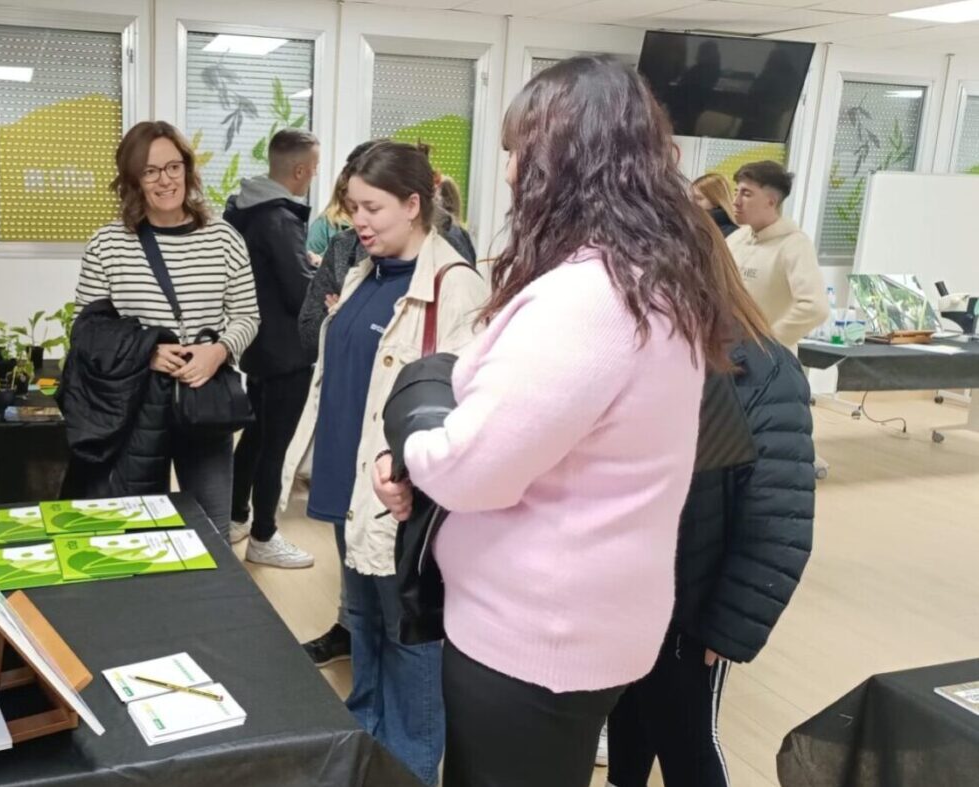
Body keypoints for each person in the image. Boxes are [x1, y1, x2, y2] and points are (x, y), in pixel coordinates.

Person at [372, 56, 738, 786]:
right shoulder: (653, 278)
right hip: (586, 622)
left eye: (515, 152)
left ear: (556, 165)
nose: (506, 171)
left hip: (532, 636)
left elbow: (472, 469)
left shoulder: (587, 299)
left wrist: (417, 434)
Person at [280, 140, 489, 785]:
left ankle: (409, 770)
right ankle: (363, 752)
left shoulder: (457, 287)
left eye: (372, 208)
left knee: (410, 642)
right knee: (364, 628)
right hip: (349, 487)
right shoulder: (361, 272)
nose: (358, 222)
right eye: (352, 210)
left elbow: (463, 408)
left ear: (414, 204)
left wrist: (410, 478)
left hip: (403, 498)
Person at [607, 230, 816, 787]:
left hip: (695, 613)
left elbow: (779, 520)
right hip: (625, 599)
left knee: (688, 746)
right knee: (628, 729)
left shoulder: (765, 370)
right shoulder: (637, 351)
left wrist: (725, 629)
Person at [74, 121, 259, 531]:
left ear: (187, 170)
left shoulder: (224, 238)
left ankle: (212, 597)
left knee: (213, 529)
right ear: (132, 180)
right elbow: (86, 328)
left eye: (173, 167)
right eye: (150, 171)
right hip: (136, 404)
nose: (165, 180)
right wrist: (148, 352)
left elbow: (247, 315)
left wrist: (219, 351)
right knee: (136, 529)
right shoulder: (108, 243)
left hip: (204, 396)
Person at [225, 128, 321, 568]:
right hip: (287, 351)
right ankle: (264, 535)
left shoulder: (246, 209)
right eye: (314, 169)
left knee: (256, 435)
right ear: (300, 170)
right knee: (275, 446)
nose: (313, 177)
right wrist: (324, 282)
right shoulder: (279, 218)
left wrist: (304, 263)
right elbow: (299, 293)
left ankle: (236, 516)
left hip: (259, 345)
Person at [727, 160, 829, 351]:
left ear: (771, 202)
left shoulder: (794, 244)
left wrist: (768, 342)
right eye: (736, 191)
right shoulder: (735, 239)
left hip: (766, 362)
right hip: (728, 354)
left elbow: (815, 307)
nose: (736, 201)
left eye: (746, 194)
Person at [693, 172, 739, 237]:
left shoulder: (732, 233)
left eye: (699, 198)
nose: (692, 202)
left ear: (715, 201)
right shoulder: (693, 225)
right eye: (691, 198)